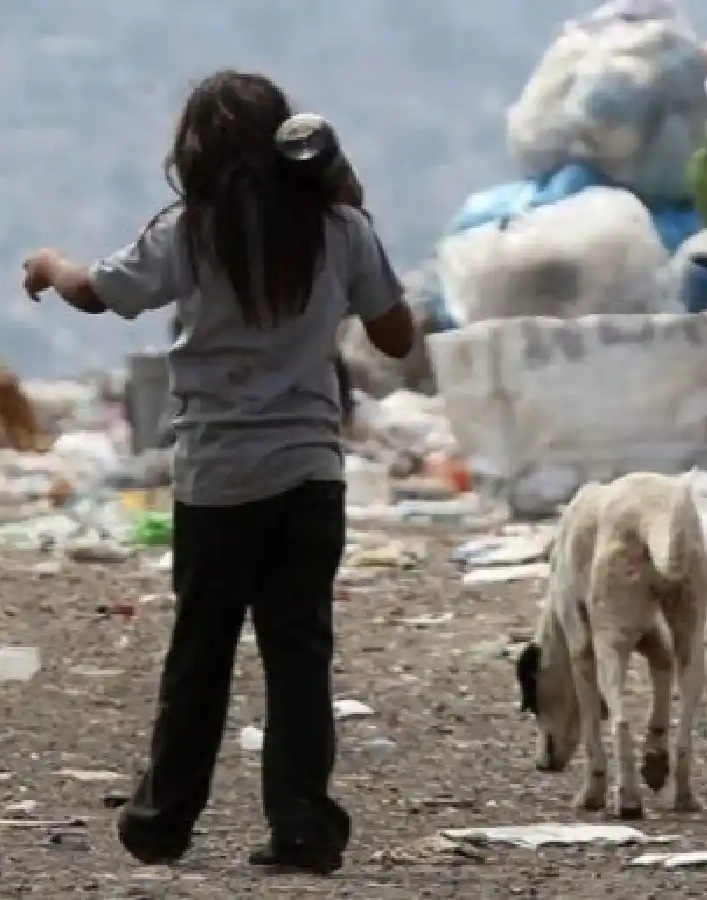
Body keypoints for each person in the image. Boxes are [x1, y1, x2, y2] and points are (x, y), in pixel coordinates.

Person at [21, 69, 416, 874]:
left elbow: (101, 294)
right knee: (298, 653)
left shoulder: (190, 231)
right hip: (310, 474)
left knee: (201, 652)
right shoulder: (340, 228)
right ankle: (304, 828)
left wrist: (50, 265)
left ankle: (163, 822)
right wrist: (353, 198)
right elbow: (398, 336)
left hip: (217, 476)